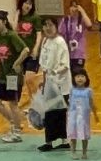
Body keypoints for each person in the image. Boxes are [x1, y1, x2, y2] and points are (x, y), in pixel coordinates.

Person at [0, 8, 31, 143]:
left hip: (12, 76)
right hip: (1, 74)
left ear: (4, 21)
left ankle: (16, 132)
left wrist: (17, 64)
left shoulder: (12, 36)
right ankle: (14, 121)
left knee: (13, 103)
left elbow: (25, 50)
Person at [30, 15, 72, 150]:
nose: (48, 28)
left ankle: (65, 140)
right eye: (45, 25)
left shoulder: (60, 42)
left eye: (50, 25)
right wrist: (44, 81)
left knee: (59, 113)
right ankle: (49, 141)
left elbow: (65, 65)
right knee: (48, 113)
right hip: (49, 84)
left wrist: (54, 74)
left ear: (56, 26)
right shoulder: (45, 41)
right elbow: (44, 65)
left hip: (60, 84)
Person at [65, 63, 95, 160]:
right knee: (73, 134)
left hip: (84, 117)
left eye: (82, 76)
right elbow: (69, 104)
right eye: (77, 76)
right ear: (74, 78)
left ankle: (84, 152)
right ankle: (73, 151)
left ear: (86, 78)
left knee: (84, 134)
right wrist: (68, 115)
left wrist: (95, 114)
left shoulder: (88, 91)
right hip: (73, 116)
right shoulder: (72, 90)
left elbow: (91, 103)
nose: (80, 78)